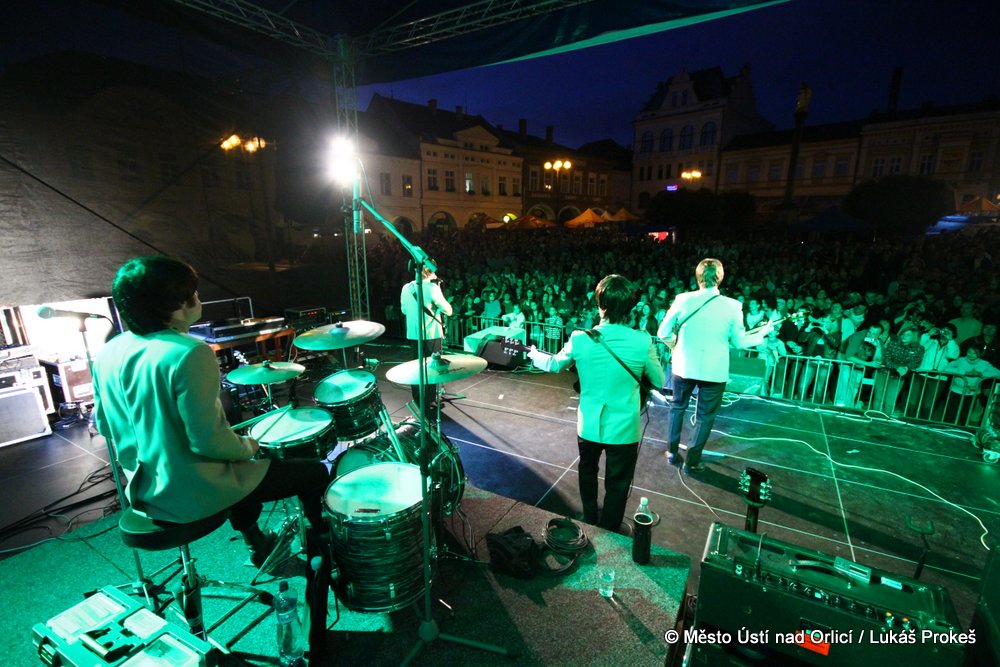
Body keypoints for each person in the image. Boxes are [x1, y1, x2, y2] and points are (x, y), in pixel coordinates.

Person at [92, 256, 330, 567]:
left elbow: (104, 425)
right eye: (194, 293)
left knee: (239, 467)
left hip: (143, 491)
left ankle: (258, 544)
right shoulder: (189, 352)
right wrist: (248, 446)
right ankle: (324, 554)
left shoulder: (109, 351)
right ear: (180, 304)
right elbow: (207, 442)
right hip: (187, 494)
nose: (198, 298)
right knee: (313, 472)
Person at [527, 274, 664, 532]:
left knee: (587, 471)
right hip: (624, 428)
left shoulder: (581, 338)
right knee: (618, 483)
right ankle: (610, 529)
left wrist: (533, 353)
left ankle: (589, 518)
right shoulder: (642, 340)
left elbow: (554, 364)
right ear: (630, 307)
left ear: (601, 305)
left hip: (589, 424)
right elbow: (658, 380)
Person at [657, 259, 772, 475]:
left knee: (677, 407)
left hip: (684, 365)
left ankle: (672, 452)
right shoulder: (733, 306)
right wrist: (762, 334)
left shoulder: (683, 299)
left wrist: (675, 345)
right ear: (720, 277)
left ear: (698, 277)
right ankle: (692, 461)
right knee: (704, 416)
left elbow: (662, 332)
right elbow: (739, 342)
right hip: (714, 370)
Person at [401, 265, 454, 416]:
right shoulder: (432, 288)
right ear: (430, 273)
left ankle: (418, 400)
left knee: (417, 367)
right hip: (431, 334)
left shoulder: (406, 288)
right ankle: (430, 400)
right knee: (432, 368)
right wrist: (436, 307)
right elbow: (449, 311)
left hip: (414, 335)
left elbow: (404, 310)